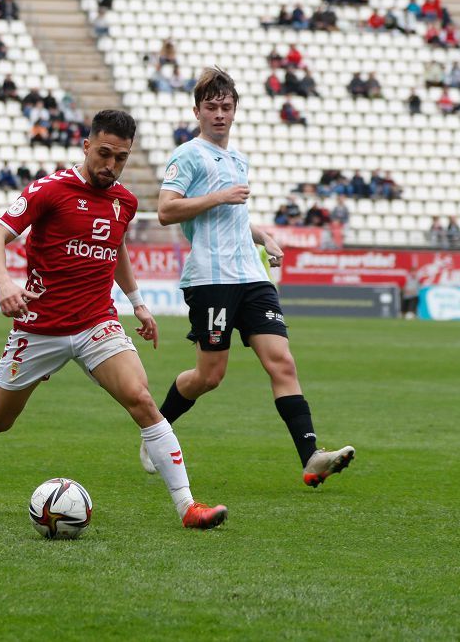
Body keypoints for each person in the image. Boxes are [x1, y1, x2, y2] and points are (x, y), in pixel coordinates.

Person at [0, 110, 228, 530]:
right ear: (86, 146)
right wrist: (4, 283)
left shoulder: (124, 200)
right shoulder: (50, 190)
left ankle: (188, 507)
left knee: (141, 399)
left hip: (95, 324)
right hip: (39, 326)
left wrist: (138, 303)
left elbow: (116, 246)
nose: (110, 165)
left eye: (120, 158)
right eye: (104, 153)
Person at [149, 67, 355, 487]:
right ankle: (157, 428)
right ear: (197, 111)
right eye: (211, 107)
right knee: (210, 376)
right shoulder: (187, 155)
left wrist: (264, 236)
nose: (219, 114)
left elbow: (233, 216)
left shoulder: (237, 158)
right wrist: (219, 196)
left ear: (235, 110)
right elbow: (166, 211)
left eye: (226, 107)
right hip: (211, 279)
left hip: (252, 276)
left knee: (282, 362)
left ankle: (311, 457)